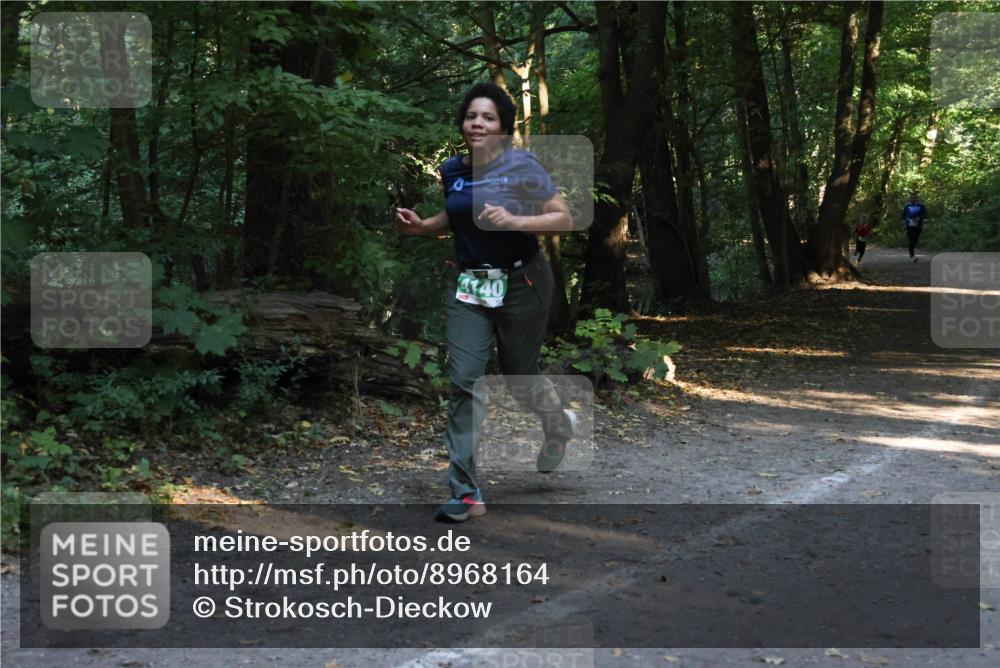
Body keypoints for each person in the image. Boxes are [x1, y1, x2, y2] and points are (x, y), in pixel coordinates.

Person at [395, 83, 577, 522]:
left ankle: (557, 422)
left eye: (488, 118)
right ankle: (465, 492)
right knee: (465, 379)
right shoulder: (452, 169)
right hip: (471, 287)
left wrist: (515, 218)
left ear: (503, 128)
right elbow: (458, 215)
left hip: (523, 280)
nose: (477, 124)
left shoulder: (522, 166)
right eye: (471, 116)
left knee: (518, 376)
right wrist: (424, 227)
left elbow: (563, 218)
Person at [901, 193, 928, 262]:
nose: (913, 199)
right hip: (909, 225)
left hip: (918, 225)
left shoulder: (922, 206)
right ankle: (912, 255)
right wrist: (903, 222)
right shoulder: (907, 206)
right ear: (910, 199)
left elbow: (925, 215)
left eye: (915, 198)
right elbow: (903, 215)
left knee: (916, 239)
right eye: (912, 198)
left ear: (917, 198)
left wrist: (923, 221)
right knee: (911, 239)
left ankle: (912, 250)